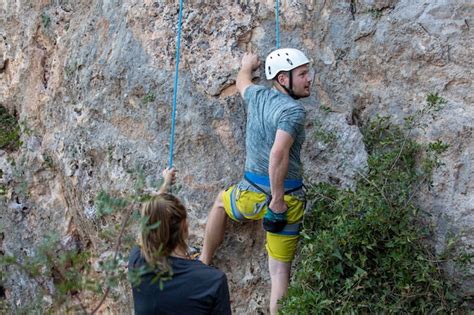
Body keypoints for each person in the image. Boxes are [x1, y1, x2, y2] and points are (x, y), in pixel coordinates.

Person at [200, 48, 312, 314]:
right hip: (286, 202)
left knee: (220, 202)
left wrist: (246, 65)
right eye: (303, 74)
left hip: (247, 196)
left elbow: (242, 82)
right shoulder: (294, 112)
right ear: (284, 80)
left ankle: (204, 259)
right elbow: (278, 152)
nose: (310, 79)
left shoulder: (257, 96)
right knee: (279, 273)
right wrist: (277, 199)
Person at [128, 168, 231, 315]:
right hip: (198, 274)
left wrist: (164, 185)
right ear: (185, 226)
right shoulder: (212, 281)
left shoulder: (137, 261)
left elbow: (150, 222)